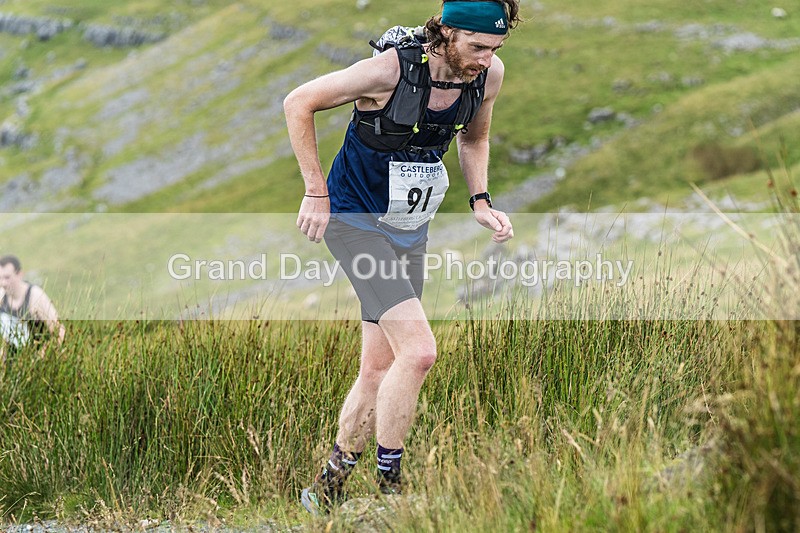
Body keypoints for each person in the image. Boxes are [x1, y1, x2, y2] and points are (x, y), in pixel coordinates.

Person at [283, 0, 520, 514]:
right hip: (353, 222)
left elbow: (475, 137)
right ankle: (393, 488)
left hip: (408, 225)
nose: (486, 58)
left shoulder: (488, 75)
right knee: (419, 352)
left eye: (495, 48)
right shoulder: (389, 70)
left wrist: (480, 201)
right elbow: (297, 102)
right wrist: (314, 193)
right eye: (477, 46)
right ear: (448, 32)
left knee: (379, 365)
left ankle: (326, 487)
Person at [0, 255, 66, 363]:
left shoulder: (35, 296)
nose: (3, 283)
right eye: (0, 278)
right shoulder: (2, 296)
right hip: (13, 362)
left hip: (37, 363)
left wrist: (44, 357)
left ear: (20, 274)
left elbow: (59, 330)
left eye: (7, 277)